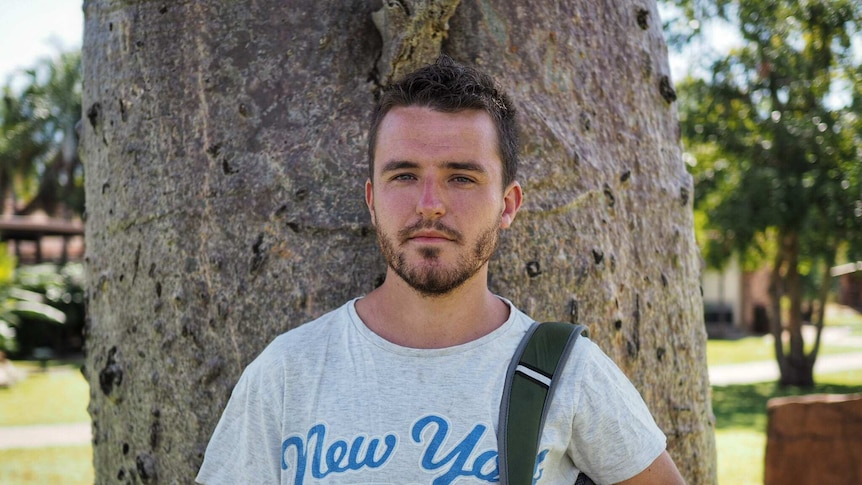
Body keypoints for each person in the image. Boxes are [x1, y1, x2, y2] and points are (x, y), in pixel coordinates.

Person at [196, 55, 685, 485]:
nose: (430, 205)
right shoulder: (287, 372)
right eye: (405, 175)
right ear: (372, 198)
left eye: (462, 177)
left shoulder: (567, 372)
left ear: (508, 205)